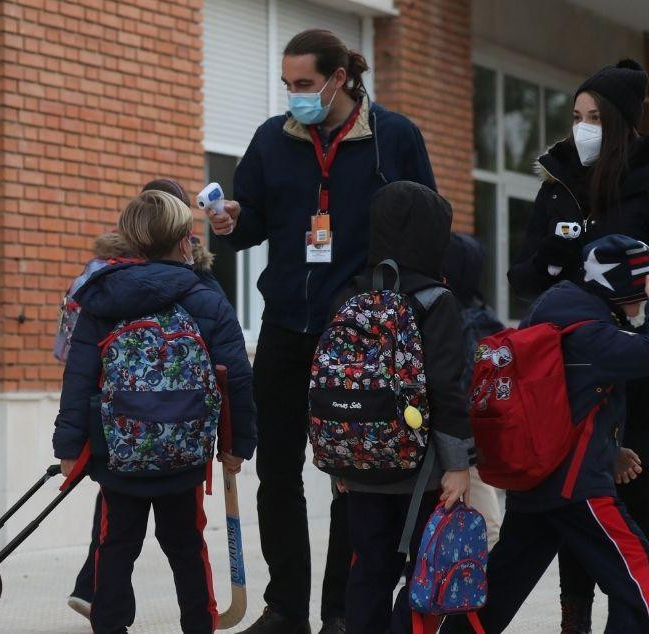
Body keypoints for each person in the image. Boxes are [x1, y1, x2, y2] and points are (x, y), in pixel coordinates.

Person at [206, 28, 436, 634]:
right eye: (287, 85)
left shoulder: (396, 137)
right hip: (285, 324)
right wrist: (232, 220)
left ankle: (341, 610)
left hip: (359, 334)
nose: (294, 96)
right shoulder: (270, 140)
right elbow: (252, 218)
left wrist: (398, 308)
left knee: (352, 475)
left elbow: (425, 225)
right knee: (276, 472)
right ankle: (286, 609)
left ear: (339, 79)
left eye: (304, 84)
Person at [504, 59, 649, 633]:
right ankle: (575, 620)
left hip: (632, 373)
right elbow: (524, 276)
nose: (581, 127)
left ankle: (637, 617)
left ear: (621, 123)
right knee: (572, 503)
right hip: (564, 376)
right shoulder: (559, 181)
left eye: (594, 117)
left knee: (628, 506)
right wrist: (555, 254)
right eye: (575, 116)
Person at [443, 234, 649, 634]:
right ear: (620, 284)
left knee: (501, 585)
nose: (645, 297)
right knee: (635, 577)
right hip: (577, 488)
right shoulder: (589, 331)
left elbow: (570, 404)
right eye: (642, 285)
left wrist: (609, 451)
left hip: (539, 481)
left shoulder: (557, 314)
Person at [53, 190, 257, 633]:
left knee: (115, 548)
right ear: (186, 242)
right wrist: (237, 444)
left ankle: (109, 626)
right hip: (185, 458)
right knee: (187, 549)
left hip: (117, 456)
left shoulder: (103, 299)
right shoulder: (205, 299)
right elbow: (235, 377)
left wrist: (69, 446)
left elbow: (80, 377)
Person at [328, 181, 473, 633]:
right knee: (424, 572)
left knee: (368, 569)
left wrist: (340, 459)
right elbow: (448, 388)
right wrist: (459, 464)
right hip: (423, 471)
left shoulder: (351, 295)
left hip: (362, 466)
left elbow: (330, 381)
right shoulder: (436, 300)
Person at [442, 232, 506, 548]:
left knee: (486, 530)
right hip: (465, 437)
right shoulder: (482, 316)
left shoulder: (452, 317)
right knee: (486, 530)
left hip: (459, 438)